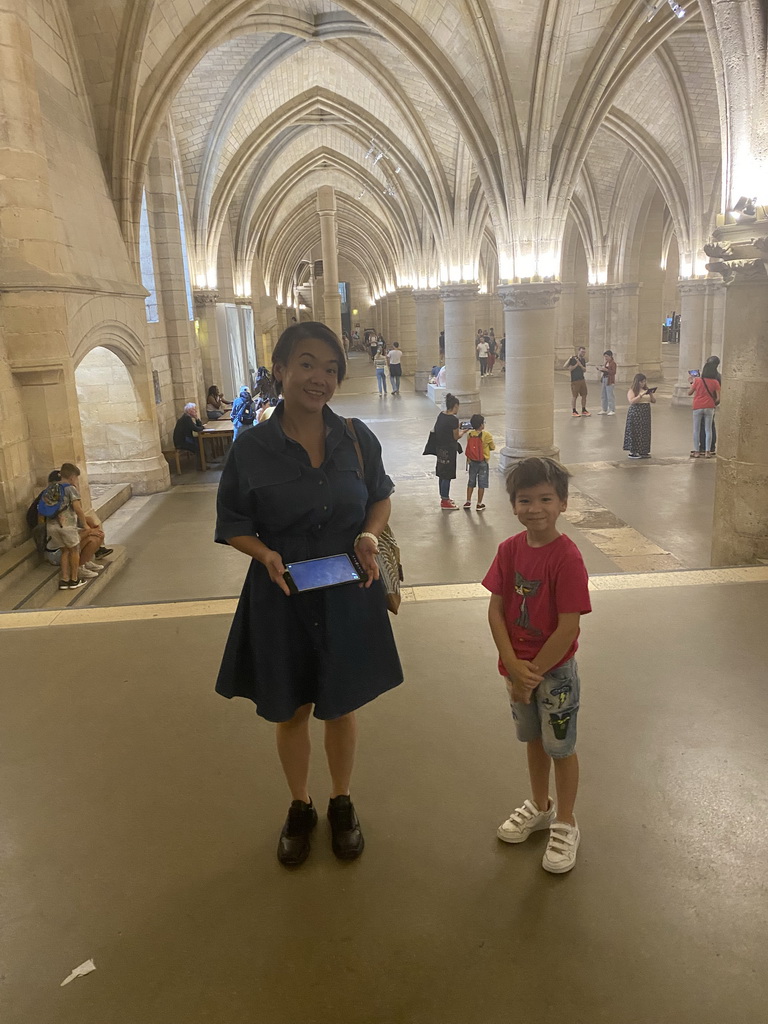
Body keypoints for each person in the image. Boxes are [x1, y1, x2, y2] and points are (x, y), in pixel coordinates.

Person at [214, 321, 403, 867]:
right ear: (281, 368)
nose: (319, 377)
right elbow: (232, 522)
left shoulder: (356, 437)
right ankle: (300, 805)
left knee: (340, 706)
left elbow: (380, 498)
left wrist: (368, 535)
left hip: (348, 589)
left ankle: (341, 800)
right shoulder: (252, 447)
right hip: (282, 594)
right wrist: (264, 553)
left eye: (330, 368)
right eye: (306, 363)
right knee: (291, 708)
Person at [483, 457, 591, 874]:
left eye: (546, 498)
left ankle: (565, 820)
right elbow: (495, 610)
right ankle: (541, 806)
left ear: (562, 503)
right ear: (513, 505)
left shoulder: (567, 558)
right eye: (525, 500)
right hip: (516, 671)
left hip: (555, 673)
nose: (535, 508)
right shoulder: (509, 551)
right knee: (533, 739)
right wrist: (512, 663)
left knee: (560, 747)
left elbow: (568, 627)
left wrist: (531, 673)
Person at [40, 464, 102, 590]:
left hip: (52, 526)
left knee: (64, 551)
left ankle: (64, 579)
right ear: (73, 477)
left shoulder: (52, 487)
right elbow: (77, 509)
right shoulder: (70, 489)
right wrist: (85, 525)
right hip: (67, 525)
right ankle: (74, 579)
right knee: (74, 550)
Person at [433, 393, 467, 510]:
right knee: (447, 475)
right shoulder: (453, 419)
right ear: (455, 406)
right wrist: (464, 431)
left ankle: (444, 497)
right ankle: (445, 501)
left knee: (442, 473)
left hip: (440, 449)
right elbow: (456, 436)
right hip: (449, 450)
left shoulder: (441, 415)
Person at [688, 360, 721, 458]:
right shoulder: (715, 382)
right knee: (708, 429)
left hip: (698, 406)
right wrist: (713, 403)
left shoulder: (697, 380)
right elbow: (718, 398)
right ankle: (707, 451)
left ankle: (697, 452)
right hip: (709, 407)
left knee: (696, 429)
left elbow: (689, 393)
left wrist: (691, 382)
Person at [463, 413, 495, 511]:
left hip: (472, 461)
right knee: (482, 483)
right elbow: (493, 447)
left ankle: (468, 501)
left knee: (471, 481)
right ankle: (479, 503)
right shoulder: (487, 435)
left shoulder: (470, 434)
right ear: (481, 425)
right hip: (483, 462)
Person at [623, 373, 656, 458]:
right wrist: (641, 395)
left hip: (645, 412)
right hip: (636, 412)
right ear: (637, 382)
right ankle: (633, 451)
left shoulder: (646, 389)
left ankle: (643, 450)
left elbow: (653, 401)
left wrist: (651, 393)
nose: (643, 383)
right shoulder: (632, 390)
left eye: (644, 381)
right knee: (635, 431)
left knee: (644, 431)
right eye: (642, 382)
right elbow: (632, 401)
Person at [564, 347, 589, 416]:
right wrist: (576, 364)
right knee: (574, 396)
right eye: (582, 352)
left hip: (582, 379)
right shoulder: (573, 359)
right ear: (578, 351)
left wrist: (580, 365)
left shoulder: (583, 360)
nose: (583, 353)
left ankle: (583, 409)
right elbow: (570, 369)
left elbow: (584, 370)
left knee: (584, 395)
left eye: (584, 352)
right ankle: (574, 411)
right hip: (575, 380)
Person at [597, 350, 617, 415]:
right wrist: (601, 369)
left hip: (610, 380)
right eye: (605, 357)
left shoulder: (613, 363)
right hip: (605, 379)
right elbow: (606, 371)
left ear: (610, 356)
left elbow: (613, 372)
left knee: (610, 395)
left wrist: (607, 370)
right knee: (603, 395)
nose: (605, 358)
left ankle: (612, 409)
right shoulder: (606, 363)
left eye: (606, 356)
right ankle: (604, 409)